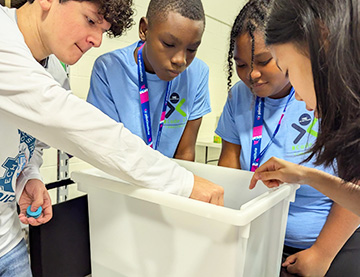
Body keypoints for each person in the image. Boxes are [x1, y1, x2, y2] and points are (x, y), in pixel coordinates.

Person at [0, 0, 224, 275]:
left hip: (8, 240)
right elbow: (75, 125)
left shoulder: (56, 73)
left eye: (103, 29)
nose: (96, 40)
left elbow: (33, 142)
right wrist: (183, 182)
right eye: (91, 21)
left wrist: (28, 176)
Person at [216, 1, 360, 276]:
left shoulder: (346, 106)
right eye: (243, 65)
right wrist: (307, 176)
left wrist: (322, 253)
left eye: (289, 69)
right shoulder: (239, 98)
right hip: (265, 234)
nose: (303, 102)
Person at [87, 0, 210, 161]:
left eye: (192, 49)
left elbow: (185, 154)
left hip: (170, 181)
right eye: (169, 44)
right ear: (144, 30)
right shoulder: (109, 69)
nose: (181, 60)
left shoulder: (197, 74)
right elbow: (108, 151)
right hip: (120, 178)